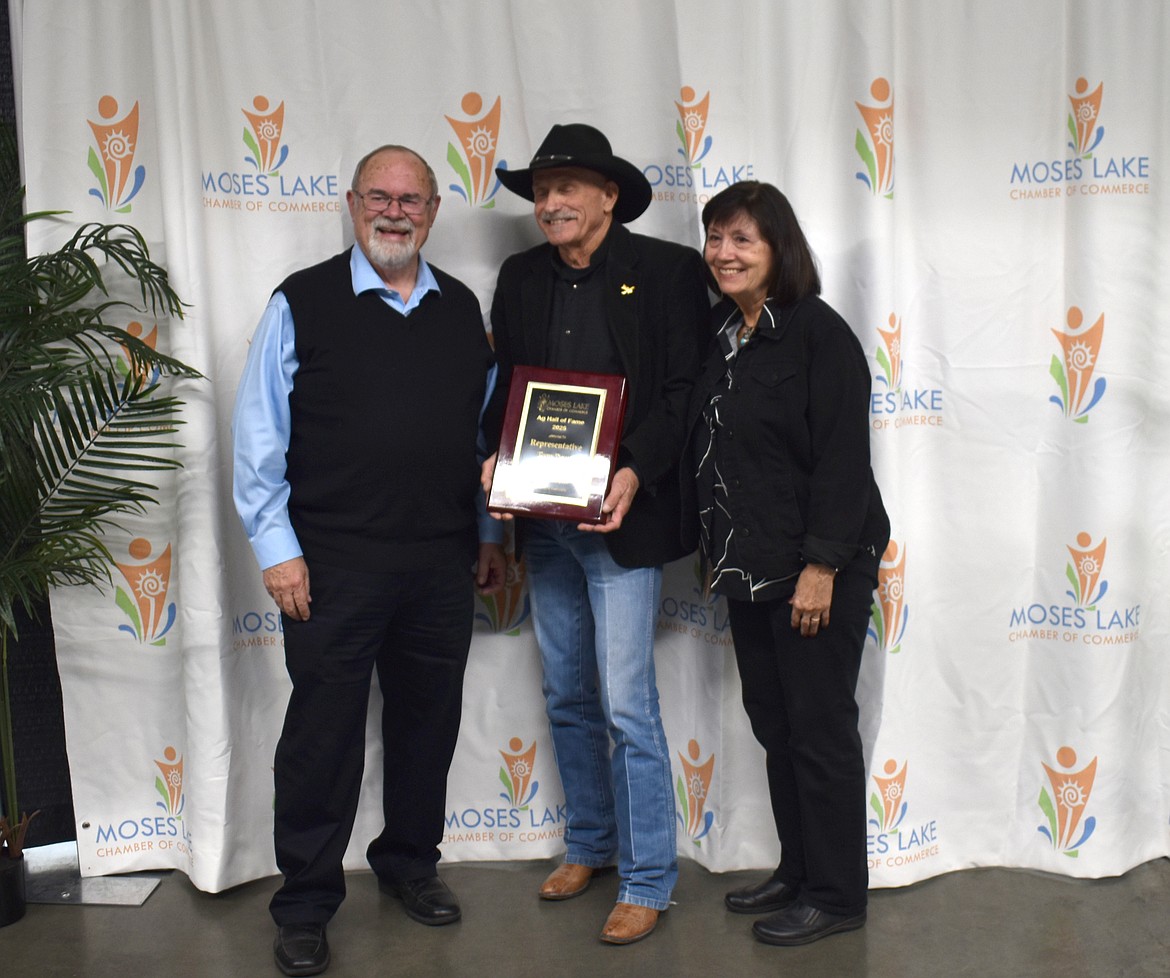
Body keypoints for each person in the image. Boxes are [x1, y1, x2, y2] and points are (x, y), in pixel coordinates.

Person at [232, 144, 505, 977]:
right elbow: (257, 442)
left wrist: (490, 539)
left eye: (412, 199)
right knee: (321, 738)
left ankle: (409, 864)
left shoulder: (461, 309)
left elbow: (483, 440)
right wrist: (278, 554)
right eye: (380, 197)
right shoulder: (301, 303)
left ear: (432, 210)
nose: (395, 211)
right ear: (351, 204)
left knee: (429, 725)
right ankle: (307, 901)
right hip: (332, 566)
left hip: (440, 563)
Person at [481, 123, 709, 945]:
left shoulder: (668, 272)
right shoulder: (518, 276)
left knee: (626, 705)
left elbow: (684, 388)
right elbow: (509, 388)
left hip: (623, 519)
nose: (552, 202)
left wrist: (636, 470)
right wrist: (496, 465)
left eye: (570, 186)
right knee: (568, 696)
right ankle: (590, 846)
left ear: (610, 196)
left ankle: (648, 878)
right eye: (542, 190)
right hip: (543, 522)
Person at [685, 181, 890, 946]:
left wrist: (823, 567)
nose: (724, 253)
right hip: (747, 566)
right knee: (776, 725)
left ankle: (837, 896)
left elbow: (843, 461)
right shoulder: (719, 334)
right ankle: (798, 870)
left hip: (815, 568)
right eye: (715, 238)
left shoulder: (817, 335)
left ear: (778, 251)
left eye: (743, 239)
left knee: (820, 729)